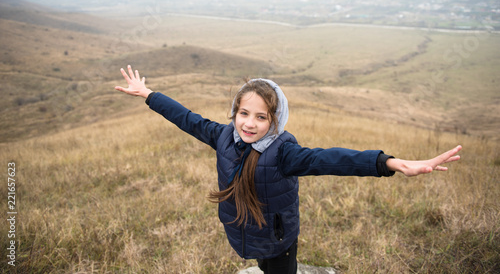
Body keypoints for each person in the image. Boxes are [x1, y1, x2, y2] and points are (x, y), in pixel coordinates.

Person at [115, 65, 462, 274]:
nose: (249, 124)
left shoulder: (284, 153)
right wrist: (149, 94)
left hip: (279, 239)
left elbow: (332, 159)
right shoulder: (222, 135)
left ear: (275, 120)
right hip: (242, 230)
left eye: (261, 116)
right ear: (233, 112)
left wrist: (391, 163)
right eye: (243, 113)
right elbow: (186, 118)